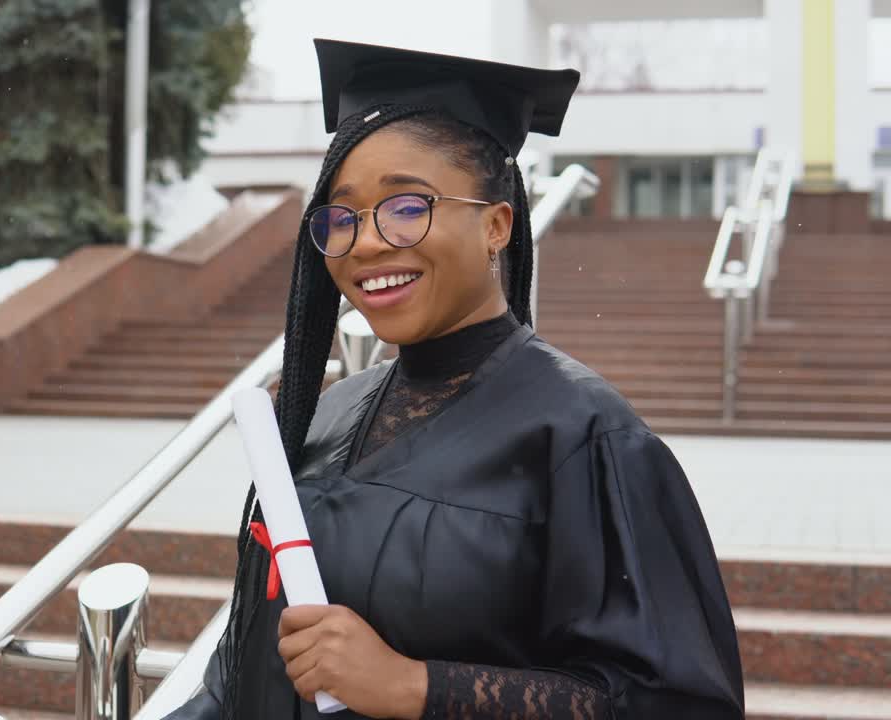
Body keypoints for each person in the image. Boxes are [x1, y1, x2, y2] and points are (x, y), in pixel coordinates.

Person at [167, 39, 744, 720]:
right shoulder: (321, 418)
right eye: (342, 216)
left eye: (407, 207)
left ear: (496, 224)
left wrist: (416, 687)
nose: (368, 242)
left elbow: (674, 704)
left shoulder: (583, 436)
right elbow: (243, 667)